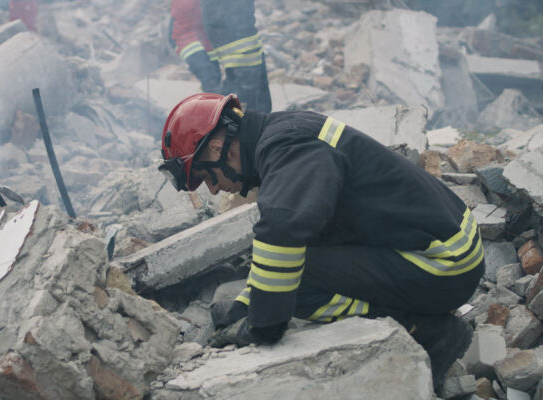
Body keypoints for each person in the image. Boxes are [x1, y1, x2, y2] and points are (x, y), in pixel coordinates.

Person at [158, 93, 484, 390]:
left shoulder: (288, 148)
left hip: (446, 265)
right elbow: (297, 236)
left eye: (204, 177)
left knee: (295, 280)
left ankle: (425, 331)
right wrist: (244, 305)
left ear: (216, 148)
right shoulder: (280, 135)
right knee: (289, 269)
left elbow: (282, 232)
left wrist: (261, 327)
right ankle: (414, 318)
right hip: (444, 247)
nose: (213, 191)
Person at [169, 0, 272, 113]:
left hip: (227, 34)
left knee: (255, 97)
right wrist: (209, 78)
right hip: (197, 37)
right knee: (239, 92)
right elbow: (185, 29)